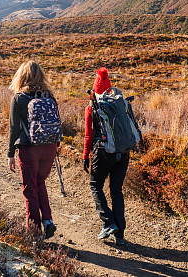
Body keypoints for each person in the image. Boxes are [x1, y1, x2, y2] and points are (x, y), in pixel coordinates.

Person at [7, 60, 58, 240]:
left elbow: (14, 129)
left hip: (29, 149)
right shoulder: (49, 96)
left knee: (30, 188)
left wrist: (10, 154)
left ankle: (34, 234)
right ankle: (48, 221)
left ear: (22, 76)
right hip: (50, 147)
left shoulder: (19, 98)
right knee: (40, 182)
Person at [82, 67, 129, 245]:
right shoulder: (120, 103)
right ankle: (120, 235)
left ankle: (108, 223)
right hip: (123, 153)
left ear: (94, 90)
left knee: (95, 185)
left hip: (103, 152)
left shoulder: (92, 107)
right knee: (116, 191)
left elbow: (88, 135)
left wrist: (85, 156)